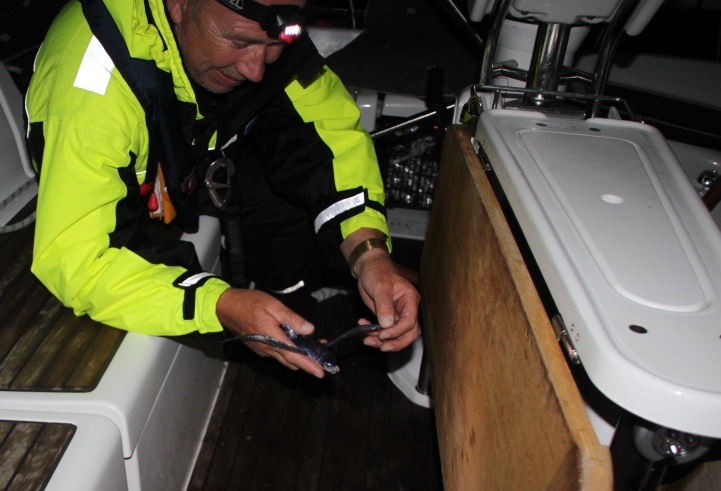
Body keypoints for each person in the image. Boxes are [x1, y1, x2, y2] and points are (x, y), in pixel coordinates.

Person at [26, 0, 421, 379]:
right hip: (123, 193)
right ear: (178, 3)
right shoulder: (86, 98)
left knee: (288, 223)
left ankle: (288, 302)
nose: (255, 69)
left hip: (198, 148)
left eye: (275, 44)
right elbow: (77, 261)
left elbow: (329, 133)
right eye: (238, 41)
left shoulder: (255, 30)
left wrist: (369, 254)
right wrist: (219, 304)